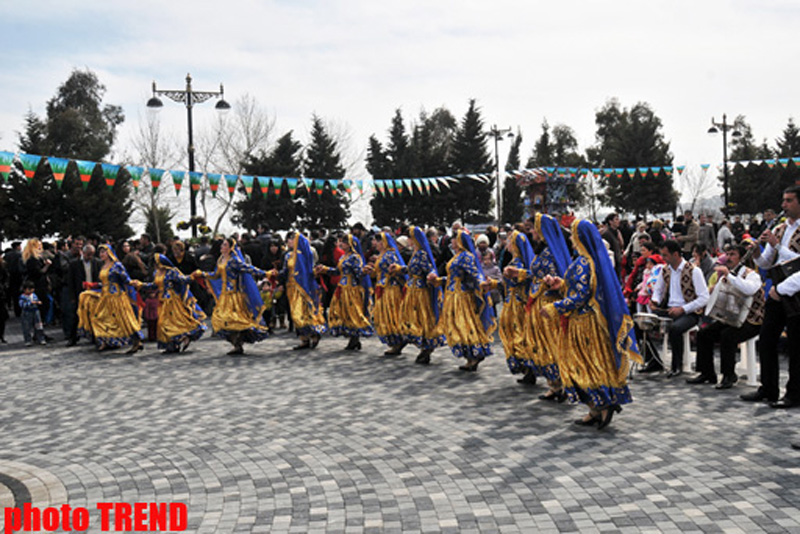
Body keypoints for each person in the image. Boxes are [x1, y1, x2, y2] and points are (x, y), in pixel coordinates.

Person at [541, 219, 642, 429]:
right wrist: (560, 283)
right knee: (589, 364)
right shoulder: (588, 261)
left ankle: (602, 404)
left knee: (584, 365)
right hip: (587, 323)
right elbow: (578, 289)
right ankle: (595, 409)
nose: (570, 238)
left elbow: (580, 297)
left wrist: (554, 308)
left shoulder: (584, 263)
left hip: (583, 324)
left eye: (573, 234)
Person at [742, 185, 800, 407]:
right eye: (783, 200)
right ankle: (768, 388)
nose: (784, 205)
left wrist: (778, 247)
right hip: (777, 290)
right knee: (766, 339)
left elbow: (796, 262)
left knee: (796, 346)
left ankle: (794, 394)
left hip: (795, 292)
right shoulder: (780, 229)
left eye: (789, 201)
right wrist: (757, 253)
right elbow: (768, 262)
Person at [687, 243, 763, 389]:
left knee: (727, 335)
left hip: (753, 321)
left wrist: (728, 276)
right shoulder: (727, 276)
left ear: (741, 258)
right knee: (704, 334)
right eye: (727, 254)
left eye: (732, 254)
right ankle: (707, 373)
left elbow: (749, 289)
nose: (728, 257)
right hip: (734, 318)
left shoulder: (752, 275)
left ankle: (729, 375)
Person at [427, 229, 497, 371]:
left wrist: (482, 283)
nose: (451, 242)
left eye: (454, 239)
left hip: (462, 296)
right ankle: (470, 357)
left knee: (465, 325)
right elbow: (453, 277)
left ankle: (475, 353)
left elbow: (475, 273)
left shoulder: (466, 256)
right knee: (458, 325)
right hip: (453, 294)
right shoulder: (457, 256)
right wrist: (439, 280)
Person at [648, 239, 710, 377]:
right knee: (639, 324)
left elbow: (704, 297)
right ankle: (653, 360)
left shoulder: (694, 271)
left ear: (675, 254)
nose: (663, 258)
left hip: (690, 313)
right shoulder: (665, 270)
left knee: (675, 329)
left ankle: (677, 365)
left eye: (665, 255)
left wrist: (683, 309)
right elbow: (658, 291)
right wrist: (655, 301)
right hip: (669, 310)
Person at [199, 238, 270, 355]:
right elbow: (216, 275)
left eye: (225, 245)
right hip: (224, 296)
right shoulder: (221, 260)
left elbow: (248, 268)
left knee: (235, 319)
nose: (222, 247)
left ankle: (239, 342)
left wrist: (265, 273)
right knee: (221, 319)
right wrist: (203, 274)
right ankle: (236, 343)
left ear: (230, 247)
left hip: (234, 296)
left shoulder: (234, 261)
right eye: (222, 245)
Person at [483, 229, 534, 378]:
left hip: (517, 306)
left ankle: (528, 367)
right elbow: (506, 284)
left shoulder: (518, 263)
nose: (508, 244)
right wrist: (493, 284)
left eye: (511, 241)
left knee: (518, 336)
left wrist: (517, 274)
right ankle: (527, 370)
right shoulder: (515, 261)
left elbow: (526, 279)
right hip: (513, 303)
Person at [133, 255, 207, 353]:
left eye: (156, 262)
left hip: (173, 301)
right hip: (162, 300)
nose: (155, 265)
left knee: (175, 322)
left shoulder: (172, 272)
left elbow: (183, 280)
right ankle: (174, 344)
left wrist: (193, 275)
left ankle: (183, 338)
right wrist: (141, 285)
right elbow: (154, 285)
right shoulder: (157, 273)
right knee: (163, 324)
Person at [77, 244, 144, 353]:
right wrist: (93, 285)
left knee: (124, 320)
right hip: (105, 296)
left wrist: (135, 283)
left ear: (109, 253)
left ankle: (137, 341)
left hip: (116, 297)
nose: (101, 254)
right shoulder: (103, 266)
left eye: (103, 252)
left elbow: (126, 279)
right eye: (100, 252)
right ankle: (105, 340)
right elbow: (104, 283)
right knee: (98, 318)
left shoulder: (117, 265)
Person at [315, 233, 374, 350]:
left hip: (351, 289)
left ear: (350, 244)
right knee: (344, 312)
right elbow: (337, 271)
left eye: (344, 242)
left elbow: (358, 273)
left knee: (352, 312)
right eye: (341, 241)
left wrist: (365, 271)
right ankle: (353, 338)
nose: (341, 244)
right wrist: (325, 269)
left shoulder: (355, 257)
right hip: (342, 287)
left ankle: (355, 338)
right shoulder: (344, 257)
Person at [270, 233, 326, 350]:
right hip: (291, 288)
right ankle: (304, 338)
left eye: (291, 240)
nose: (288, 242)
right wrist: (277, 276)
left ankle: (314, 333)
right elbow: (285, 271)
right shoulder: (288, 255)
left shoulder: (304, 255)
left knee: (305, 312)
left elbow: (309, 271)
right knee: (295, 314)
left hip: (303, 288)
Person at [400, 226, 445, 364]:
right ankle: (424, 347)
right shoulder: (415, 253)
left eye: (409, 237)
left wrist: (431, 274)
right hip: (413, 290)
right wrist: (400, 269)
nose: (408, 240)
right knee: (416, 319)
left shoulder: (421, 254)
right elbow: (412, 269)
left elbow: (429, 268)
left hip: (420, 292)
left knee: (423, 319)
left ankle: (427, 347)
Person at [364, 231, 408, 356]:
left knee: (391, 316)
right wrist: (370, 270)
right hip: (382, 287)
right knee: (384, 316)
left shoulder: (390, 255)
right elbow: (379, 272)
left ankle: (399, 340)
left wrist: (393, 272)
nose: (375, 243)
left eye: (378, 241)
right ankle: (395, 343)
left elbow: (397, 270)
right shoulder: (382, 254)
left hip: (390, 289)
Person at [22, 238, 52, 323]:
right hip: (38, 286)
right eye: (38, 246)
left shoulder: (34, 258)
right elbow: (38, 272)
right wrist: (46, 266)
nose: (40, 247)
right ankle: (39, 330)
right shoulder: (33, 259)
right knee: (41, 307)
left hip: (39, 285)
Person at [19, 280, 46, 346]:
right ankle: (28, 340)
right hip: (27, 312)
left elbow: (37, 300)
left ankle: (40, 338)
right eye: (29, 289)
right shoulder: (22, 297)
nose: (31, 291)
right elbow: (21, 305)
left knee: (38, 326)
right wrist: (30, 303)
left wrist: (38, 302)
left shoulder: (34, 295)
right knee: (26, 327)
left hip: (35, 311)